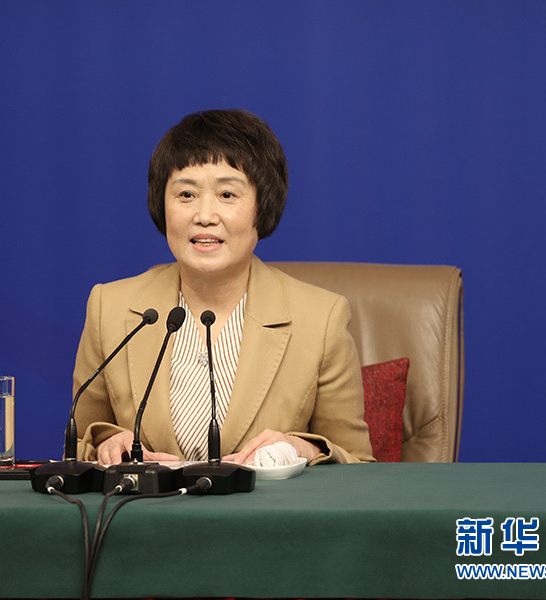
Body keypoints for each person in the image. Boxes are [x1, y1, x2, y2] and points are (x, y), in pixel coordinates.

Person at [73, 109, 374, 466]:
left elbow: (357, 465)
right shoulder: (110, 308)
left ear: (262, 206)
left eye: (227, 194)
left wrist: (304, 450)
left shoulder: (320, 320)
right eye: (186, 194)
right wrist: (108, 443)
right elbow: (78, 444)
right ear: (161, 204)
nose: (204, 216)